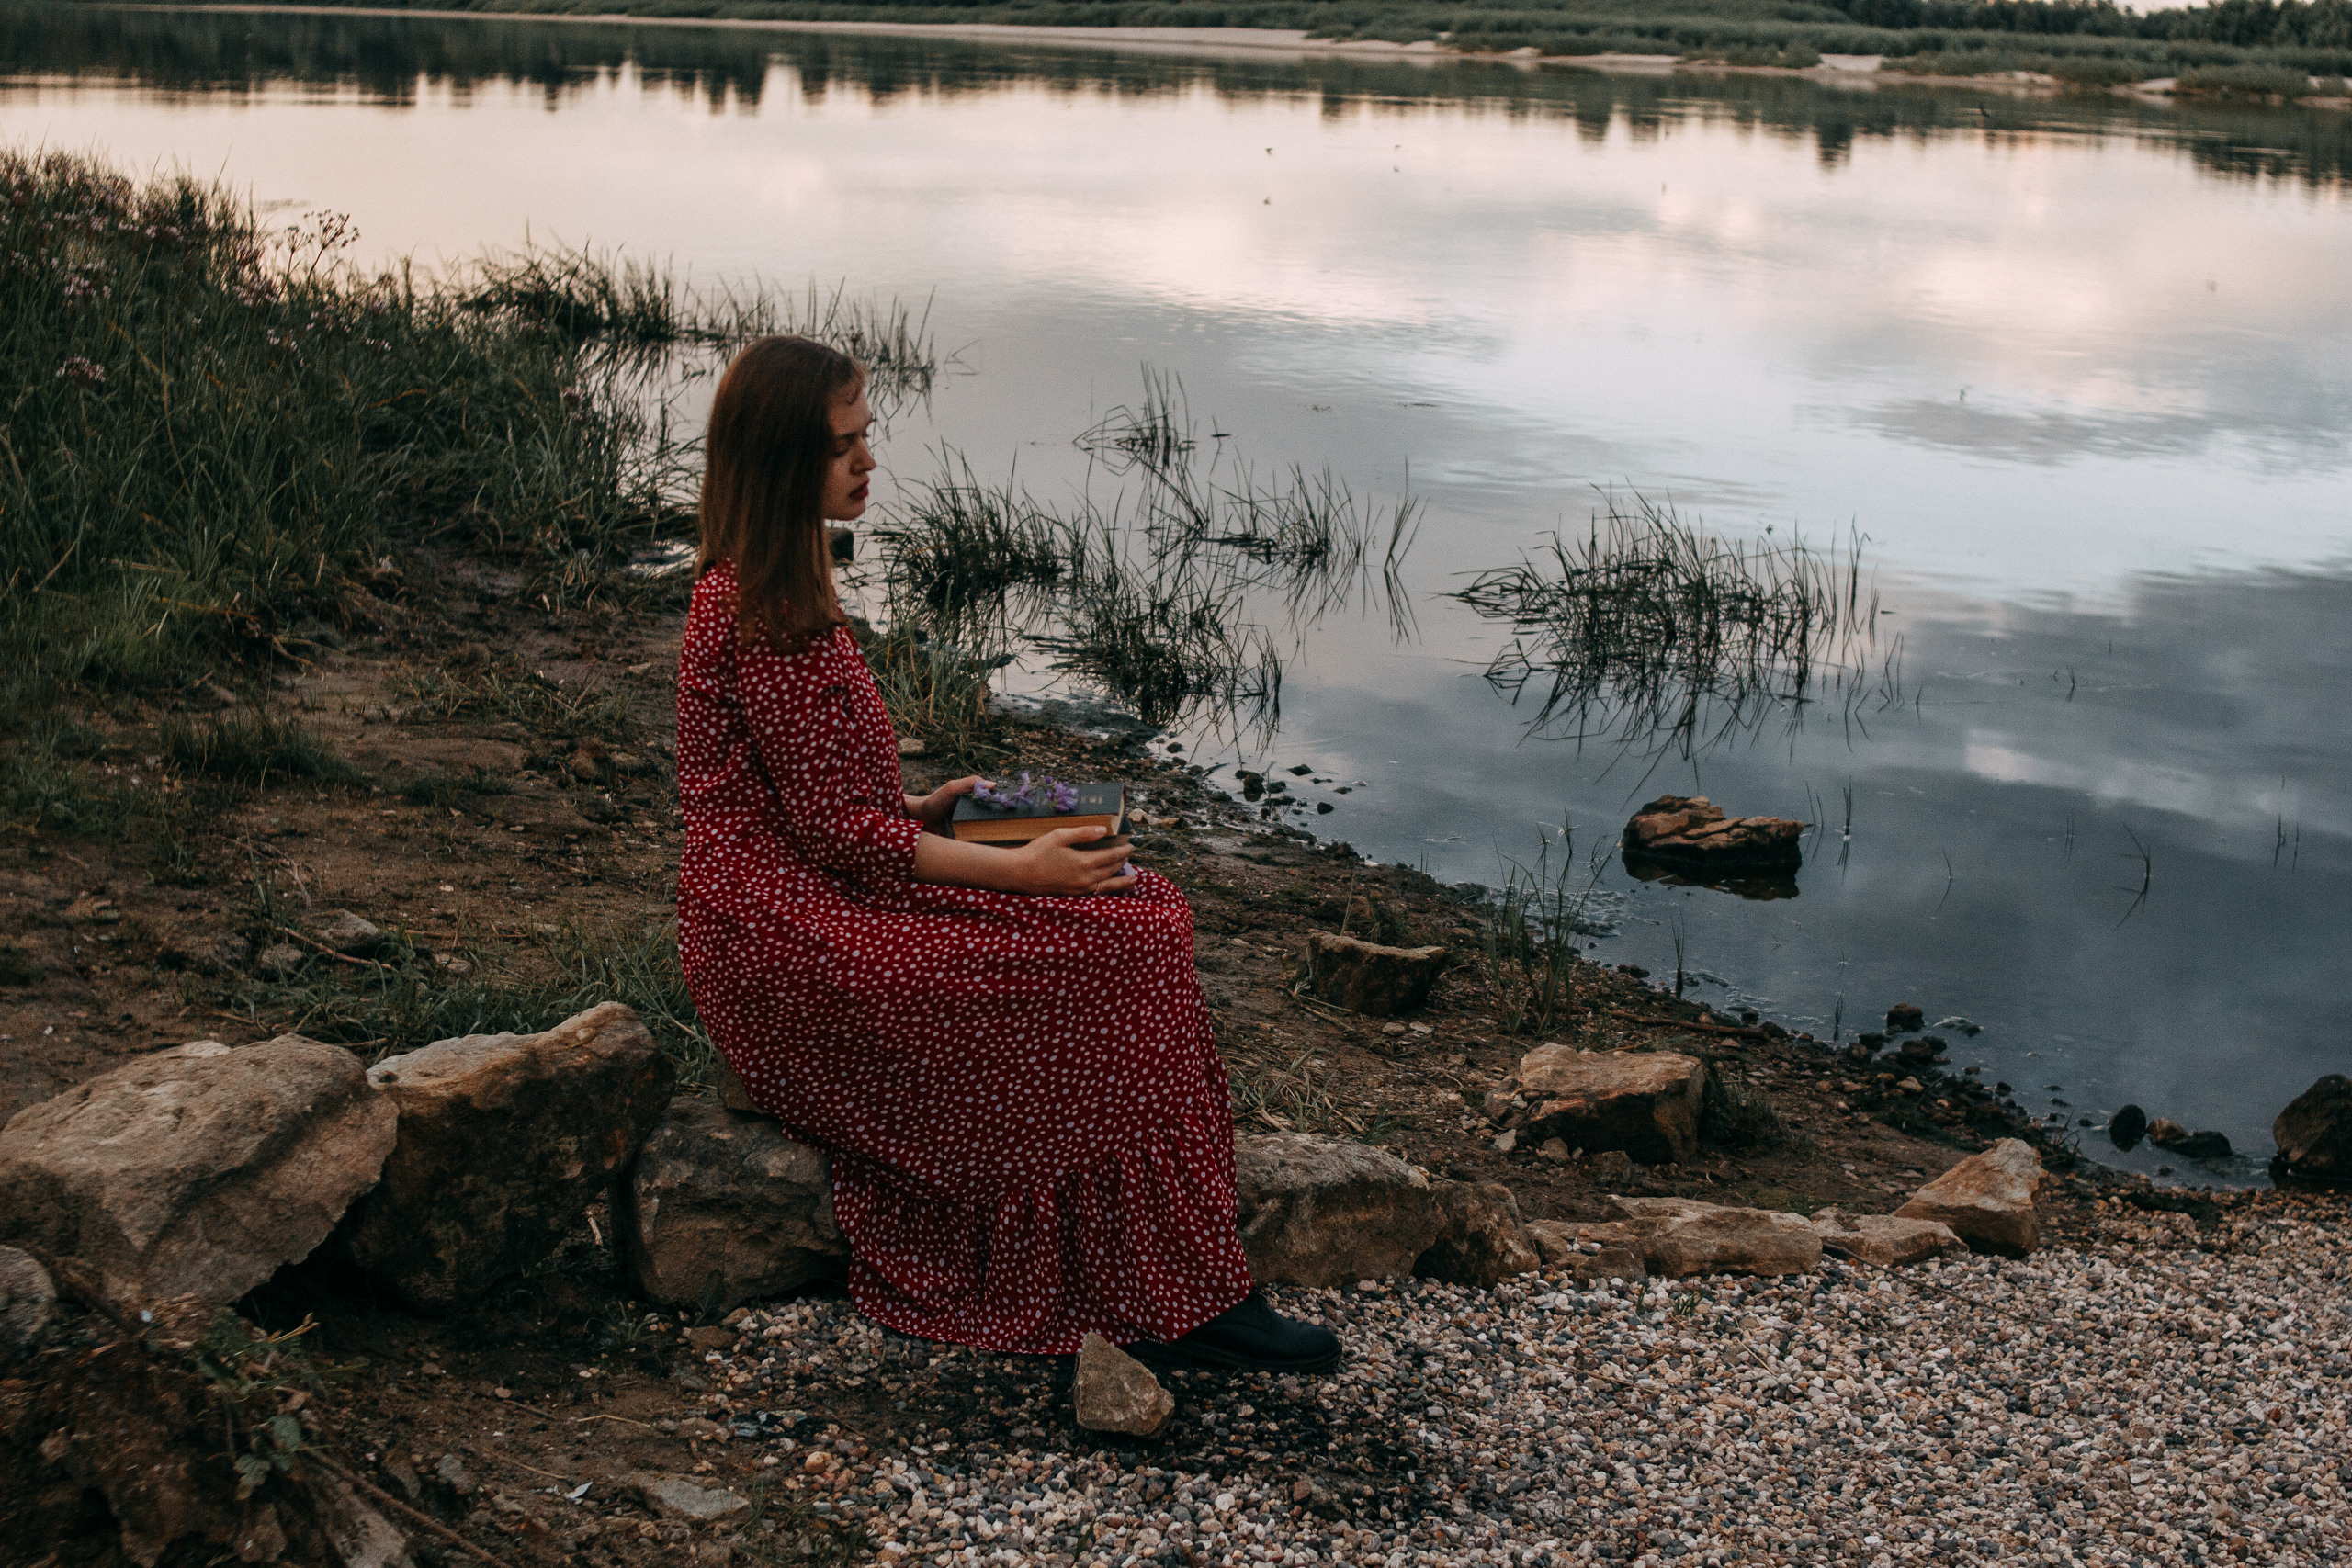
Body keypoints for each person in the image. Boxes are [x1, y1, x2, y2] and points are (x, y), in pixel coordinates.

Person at [673, 334, 1338, 1372]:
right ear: (779, 461)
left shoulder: (771, 581)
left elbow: (823, 803)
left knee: (1124, 880)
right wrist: (1016, 870)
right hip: (781, 932)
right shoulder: (763, 610)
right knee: (1121, 936)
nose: (868, 463)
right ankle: (1173, 1292)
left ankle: (1176, 1271)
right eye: (844, 445)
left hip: (815, 883)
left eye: (867, 437)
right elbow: (835, 837)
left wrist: (922, 804)